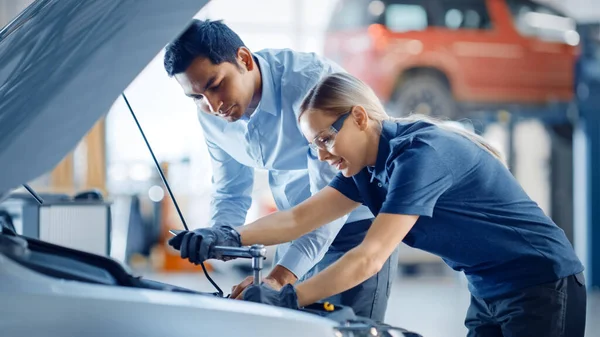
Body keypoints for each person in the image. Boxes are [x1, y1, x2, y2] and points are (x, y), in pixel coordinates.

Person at [169, 72, 587, 336]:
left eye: (325, 139)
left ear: (359, 118)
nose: (321, 154)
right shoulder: (366, 168)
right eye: (314, 145)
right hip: (486, 289)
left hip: (540, 283)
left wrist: (288, 296)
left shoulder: (421, 154)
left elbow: (369, 258)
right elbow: (300, 218)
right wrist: (223, 235)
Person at [163, 20, 398, 321]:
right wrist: (219, 237)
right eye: (196, 97)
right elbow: (230, 189)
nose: (212, 105)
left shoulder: (311, 87)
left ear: (244, 60)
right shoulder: (210, 114)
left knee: (347, 327)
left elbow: (329, 205)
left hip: (355, 228)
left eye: (215, 85)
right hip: (296, 233)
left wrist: (280, 277)